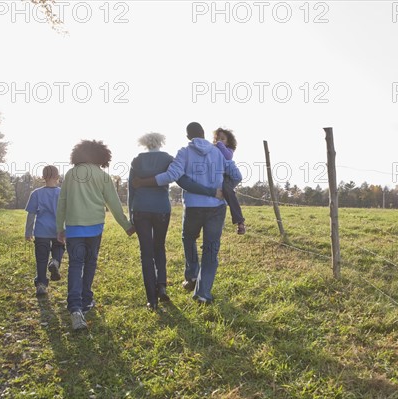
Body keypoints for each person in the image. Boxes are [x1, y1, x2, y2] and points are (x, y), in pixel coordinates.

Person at [134, 122, 241, 304]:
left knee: (188, 238)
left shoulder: (184, 152)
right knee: (211, 248)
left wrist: (145, 182)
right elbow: (237, 176)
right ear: (204, 134)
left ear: (187, 137)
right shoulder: (217, 152)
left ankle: (191, 275)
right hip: (216, 207)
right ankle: (202, 293)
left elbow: (171, 176)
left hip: (193, 207)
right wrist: (225, 189)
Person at [57, 140, 135, 331]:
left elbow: (62, 203)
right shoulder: (103, 176)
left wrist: (60, 227)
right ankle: (86, 300)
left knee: (75, 265)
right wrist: (126, 226)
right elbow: (114, 205)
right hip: (95, 228)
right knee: (90, 262)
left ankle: (75, 307)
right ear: (101, 156)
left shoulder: (71, 174)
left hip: (74, 228)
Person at [25, 165, 65, 296]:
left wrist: (28, 232)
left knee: (41, 258)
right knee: (59, 247)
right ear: (57, 177)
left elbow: (31, 214)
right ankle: (55, 262)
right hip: (58, 230)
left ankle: (41, 285)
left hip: (41, 231)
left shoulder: (36, 193)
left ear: (43, 177)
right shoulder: (62, 193)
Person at [212, 128, 246, 234]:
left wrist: (219, 145)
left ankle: (240, 221)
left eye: (223, 139)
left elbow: (228, 156)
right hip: (218, 176)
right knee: (227, 194)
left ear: (228, 141)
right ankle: (240, 222)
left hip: (228, 177)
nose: (220, 141)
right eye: (218, 138)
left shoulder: (228, 150)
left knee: (227, 190)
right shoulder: (213, 148)